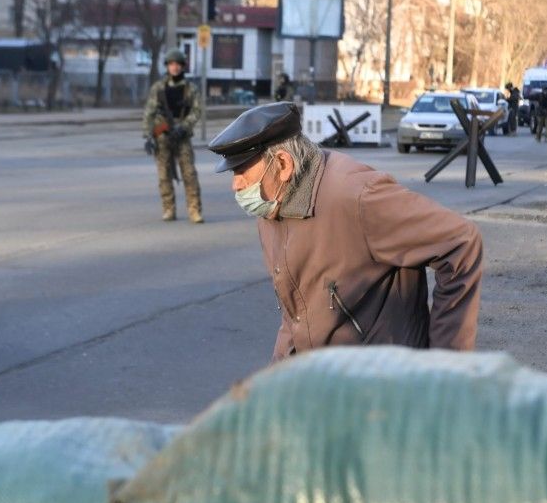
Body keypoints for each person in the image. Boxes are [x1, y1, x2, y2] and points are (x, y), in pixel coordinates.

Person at [207, 102, 484, 362]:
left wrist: (445, 366)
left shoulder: (358, 197)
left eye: (241, 171)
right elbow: (296, 313)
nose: (236, 185)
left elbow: (461, 242)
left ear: (282, 165)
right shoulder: (270, 208)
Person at [142, 49, 204, 223]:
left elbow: (197, 110)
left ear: (182, 66)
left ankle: (194, 210)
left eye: (177, 64)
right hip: (162, 135)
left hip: (182, 135)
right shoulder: (159, 88)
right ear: (167, 67)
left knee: (189, 174)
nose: (174, 67)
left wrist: (184, 127)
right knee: (164, 175)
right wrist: (148, 136)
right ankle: (168, 209)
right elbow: (149, 112)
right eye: (171, 64)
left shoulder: (190, 89)